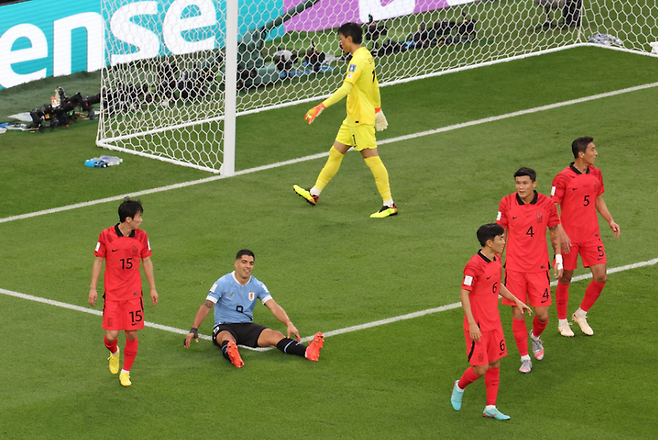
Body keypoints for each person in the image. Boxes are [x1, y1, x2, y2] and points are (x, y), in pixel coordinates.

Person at [293, 22, 396, 219]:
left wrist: (320, 107)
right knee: (335, 153)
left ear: (349, 39)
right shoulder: (367, 55)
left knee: (372, 159)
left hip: (360, 119)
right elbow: (375, 86)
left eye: (341, 40)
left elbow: (345, 88)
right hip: (353, 119)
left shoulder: (357, 61)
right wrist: (378, 108)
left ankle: (389, 204)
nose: (340, 44)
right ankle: (314, 193)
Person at [183, 249, 324, 367]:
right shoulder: (223, 283)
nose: (248, 266)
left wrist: (289, 323)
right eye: (244, 262)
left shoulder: (257, 285)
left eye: (251, 263)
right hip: (224, 326)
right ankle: (233, 356)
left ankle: (308, 352)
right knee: (228, 339)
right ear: (236, 264)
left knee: (276, 335)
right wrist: (194, 328)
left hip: (246, 326)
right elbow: (207, 306)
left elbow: (273, 306)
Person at [451, 224, 533, 421]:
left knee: (495, 363)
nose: (504, 242)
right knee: (481, 368)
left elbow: (498, 284)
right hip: (478, 325)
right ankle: (459, 386)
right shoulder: (473, 266)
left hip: (494, 323)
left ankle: (490, 407)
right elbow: (464, 294)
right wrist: (471, 324)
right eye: (501, 239)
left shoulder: (496, 259)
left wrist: (517, 300)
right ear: (489, 242)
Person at [551, 137, 620, 336]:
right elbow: (553, 207)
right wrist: (560, 233)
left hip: (591, 235)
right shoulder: (562, 178)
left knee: (601, 276)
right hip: (568, 238)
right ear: (581, 154)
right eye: (592, 149)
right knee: (566, 277)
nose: (596, 153)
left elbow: (598, 198)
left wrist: (610, 220)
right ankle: (563, 321)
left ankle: (580, 314)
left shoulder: (596, 173)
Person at [496, 167, 563, 374]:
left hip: (539, 267)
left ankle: (535, 337)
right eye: (517, 183)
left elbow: (554, 232)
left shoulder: (548, 204)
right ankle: (525, 357)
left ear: (534, 184)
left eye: (525, 183)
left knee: (542, 315)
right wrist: (496, 262)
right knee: (517, 313)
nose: (521, 187)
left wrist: (558, 258)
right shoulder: (506, 202)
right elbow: (501, 235)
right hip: (515, 269)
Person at [88, 198, 158, 387]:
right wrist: (93, 287)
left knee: (132, 333)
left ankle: (125, 371)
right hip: (112, 295)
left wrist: (152, 287)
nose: (141, 220)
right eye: (138, 217)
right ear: (128, 219)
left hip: (133, 295)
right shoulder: (106, 236)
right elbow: (98, 260)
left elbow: (147, 261)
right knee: (111, 336)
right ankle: (114, 352)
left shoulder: (142, 236)